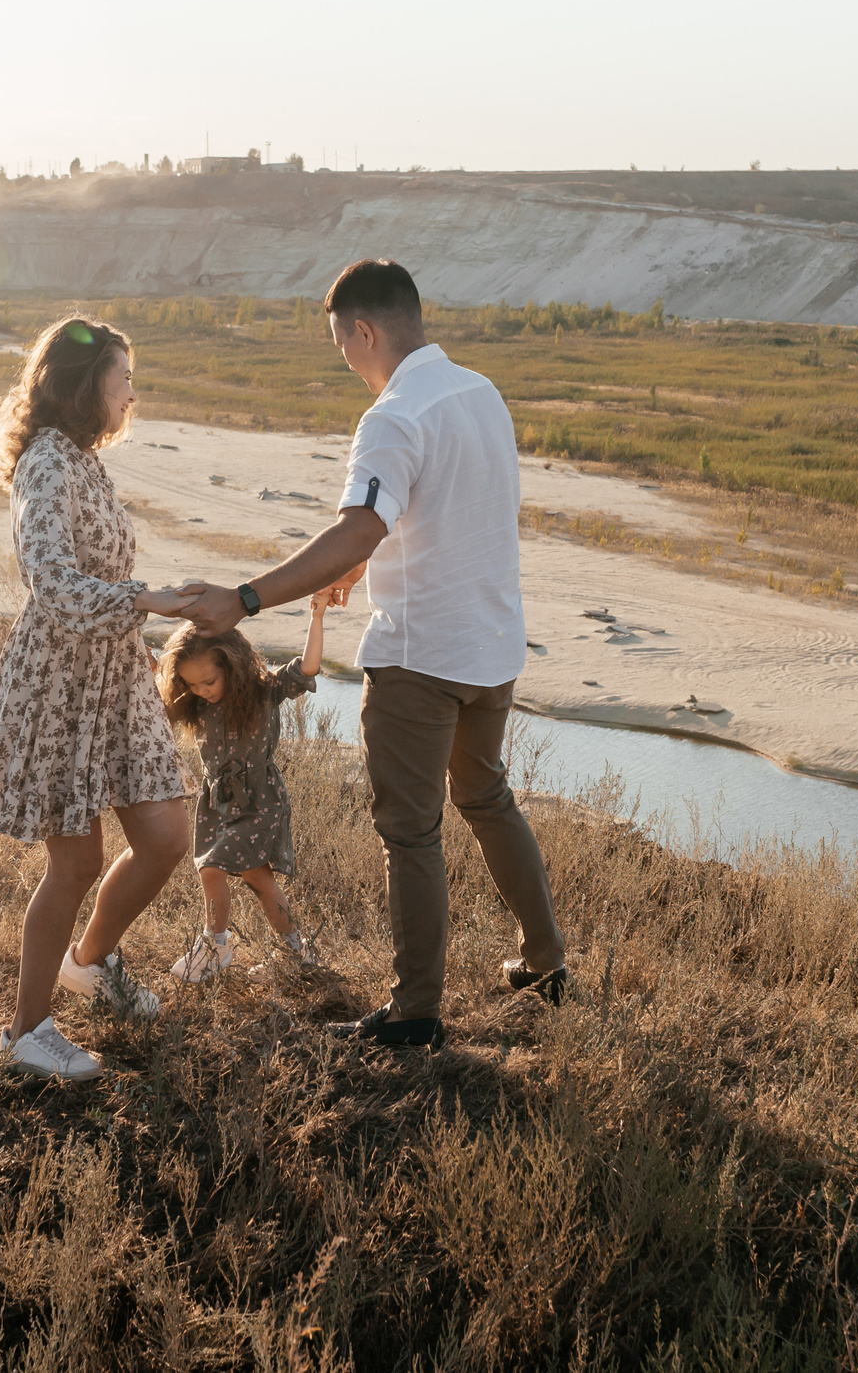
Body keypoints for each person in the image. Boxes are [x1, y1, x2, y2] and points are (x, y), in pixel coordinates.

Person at [178, 259, 567, 1049]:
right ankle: (545, 964)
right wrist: (368, 563)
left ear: (365, 331)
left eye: (343, 347)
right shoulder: (481, 393)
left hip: (420, 658)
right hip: (493, 646)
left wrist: (246, 598)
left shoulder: (391, 417)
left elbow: (360, 525)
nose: (347, 363)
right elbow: (448, 512)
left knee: (411, 830)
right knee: (487, 798)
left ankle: (415, 1011)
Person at [0, 316, 197, 1081]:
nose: (132, 395)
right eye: (124, 379)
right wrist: (145, 598)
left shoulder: (83, 460)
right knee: (76, 860)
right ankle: (26, 1031)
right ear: (88, 384)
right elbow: (50, 580)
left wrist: (139, 635)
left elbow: (96, 574)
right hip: (59, 684)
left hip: (113, 676)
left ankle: (88, 962)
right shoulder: (47, 462)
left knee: (166, 836)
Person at [155, 587, 341, 982]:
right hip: (216, 800)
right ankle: (296, 953)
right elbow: (155, 702)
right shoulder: (194, 702)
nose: (202, 690)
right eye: (192, 684)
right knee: (258, 876)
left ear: (232, 664)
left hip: (259, 798)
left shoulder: (262, 690)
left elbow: (306, 668)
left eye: (209, 681)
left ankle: (214, 947)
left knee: (212, 867)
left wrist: (317, 616)